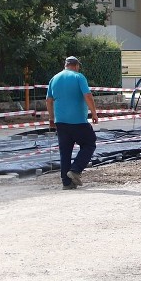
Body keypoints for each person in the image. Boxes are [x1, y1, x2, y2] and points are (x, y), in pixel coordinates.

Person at [46, 56, 99, 190]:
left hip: (61, 122)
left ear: (65, 65)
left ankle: (67, 183)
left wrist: (52, 119)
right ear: (76, 66)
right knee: (89, 143)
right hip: (78, 121)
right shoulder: (79, 77)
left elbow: (48, 100)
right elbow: (87, 95)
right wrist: (94, 113)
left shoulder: (54, 78)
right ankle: (75, 170)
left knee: (65, 152)